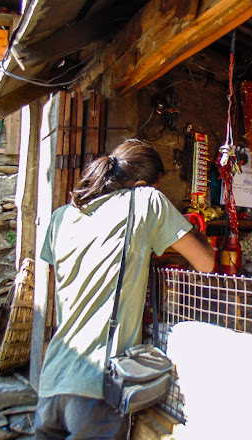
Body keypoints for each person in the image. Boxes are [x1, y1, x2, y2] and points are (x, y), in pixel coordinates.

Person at [34, 139, 215, 440]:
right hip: (98, 388)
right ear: (143, 183)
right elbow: (206, 262)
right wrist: (190, 229)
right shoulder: (145, 200)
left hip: (53, 380)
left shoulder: (61, 216)